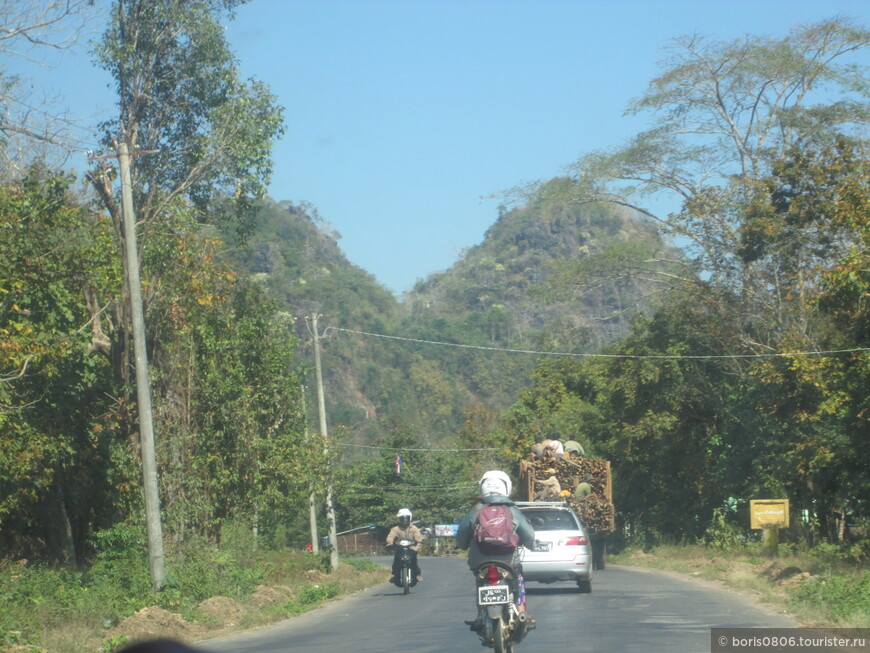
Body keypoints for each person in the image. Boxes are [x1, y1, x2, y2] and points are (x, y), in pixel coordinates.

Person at [456, 470, 536, 630]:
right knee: (518, 578)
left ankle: (480, 615)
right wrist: (531, 545)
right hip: (508, 559)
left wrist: (462, 545)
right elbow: (528, 534)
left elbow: (462, 534)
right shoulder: (512, 510)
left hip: (480, 560)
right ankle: (521, 612)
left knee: (480, 580)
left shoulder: (475, 510)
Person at [385, 508, 423, 583]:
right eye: (402, 518)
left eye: (406, 518)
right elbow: (390, 537)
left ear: (410, 518)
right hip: (400, 549)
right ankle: (395, 574)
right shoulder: (395, 529)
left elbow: (418, 538)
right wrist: (390, 541)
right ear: (399, 519)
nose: (405, 520)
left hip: (412, 548)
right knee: (396, 560)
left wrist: (417, 543)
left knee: (414, 561)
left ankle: (417, 574)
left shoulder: (414, 528)